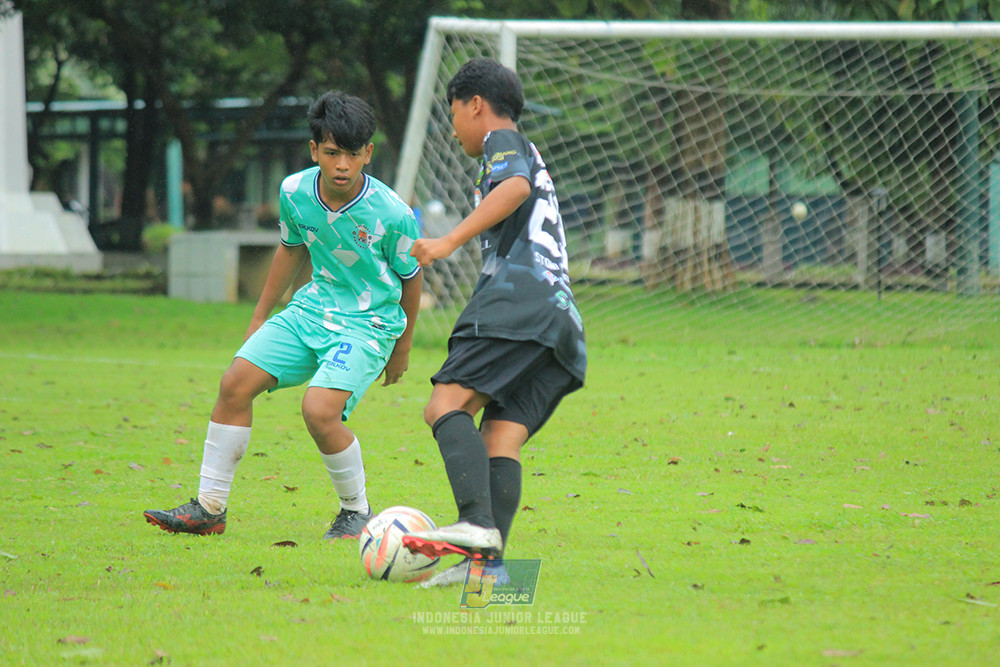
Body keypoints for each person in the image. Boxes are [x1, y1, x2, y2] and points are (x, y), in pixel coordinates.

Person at [144, 91, 423, 539]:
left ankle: (356, 511)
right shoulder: (294, 192)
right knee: (235, 383)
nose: (342, 166)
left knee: (319, 410)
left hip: (368, 324)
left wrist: (402, 347)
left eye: (353, 154)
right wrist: (260, 316)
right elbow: (291, 250)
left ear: (368, 153)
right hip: (311, 309)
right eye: (332, 153)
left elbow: (412, 277)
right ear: (314, 150)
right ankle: (209, 509)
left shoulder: (393, 212)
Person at [402, 58, 586, 586]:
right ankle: (488, 571)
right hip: (559, 319)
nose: (453, 128)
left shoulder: (501, 141)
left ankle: (475, 526)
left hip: (517, 302)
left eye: (454, 114)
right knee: (498, 438)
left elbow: (516, 189)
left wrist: (447, 240)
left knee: (444, 405)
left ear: (476, 105)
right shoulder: (521, 150)